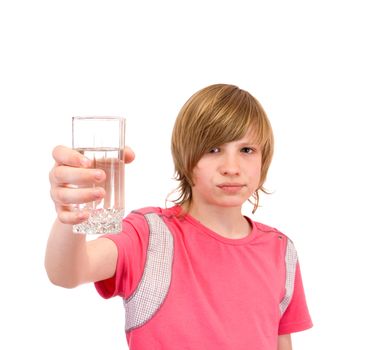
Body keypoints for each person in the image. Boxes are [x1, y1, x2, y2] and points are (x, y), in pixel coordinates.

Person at [45, 84, 313, 350]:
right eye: (213, 149)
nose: (231, 168)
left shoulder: (280, 249)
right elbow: (67, 272)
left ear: (263, 160)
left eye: (246, 150)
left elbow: (281, 343)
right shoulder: (148, 235)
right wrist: (70, 214)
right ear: (185, 157)